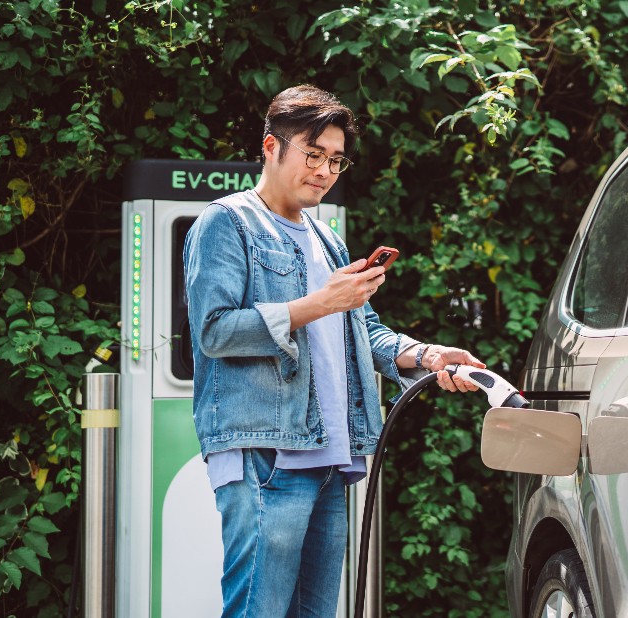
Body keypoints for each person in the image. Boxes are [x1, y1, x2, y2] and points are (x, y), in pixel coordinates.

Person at [183, 84, 485, 617]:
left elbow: (363, 334)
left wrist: (429, 355)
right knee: (259, 608)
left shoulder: (329, 240)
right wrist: (317, 304)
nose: (324, 171)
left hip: (331, 454)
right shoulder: (226, 222)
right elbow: (214, 331)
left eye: (336, 161)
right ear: (271, 147)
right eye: (313, 154)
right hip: (265, 451)